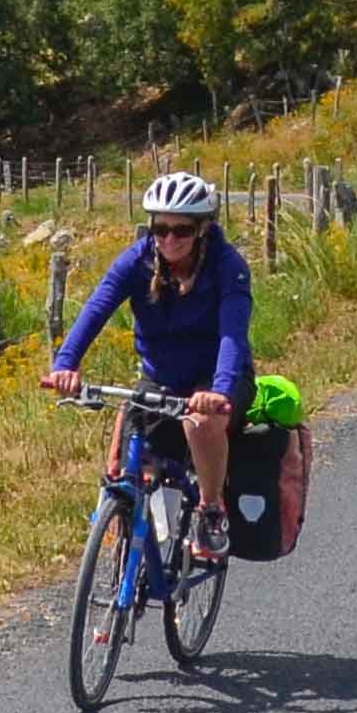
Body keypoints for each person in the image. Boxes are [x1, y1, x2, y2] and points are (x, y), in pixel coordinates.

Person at [43, 170, 255, 556]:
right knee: (133, 469)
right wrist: (66, 364)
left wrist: (219, 392)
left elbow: (232, 336)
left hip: (219, 380)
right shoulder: (137, 261)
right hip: (162, 380)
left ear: (203, 229)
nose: (169, 239)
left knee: (200, 423)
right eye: (160, 229)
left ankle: (210, 510)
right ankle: (136, 550)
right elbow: (97, 308)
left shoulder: (228, 266)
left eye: (182, 230)